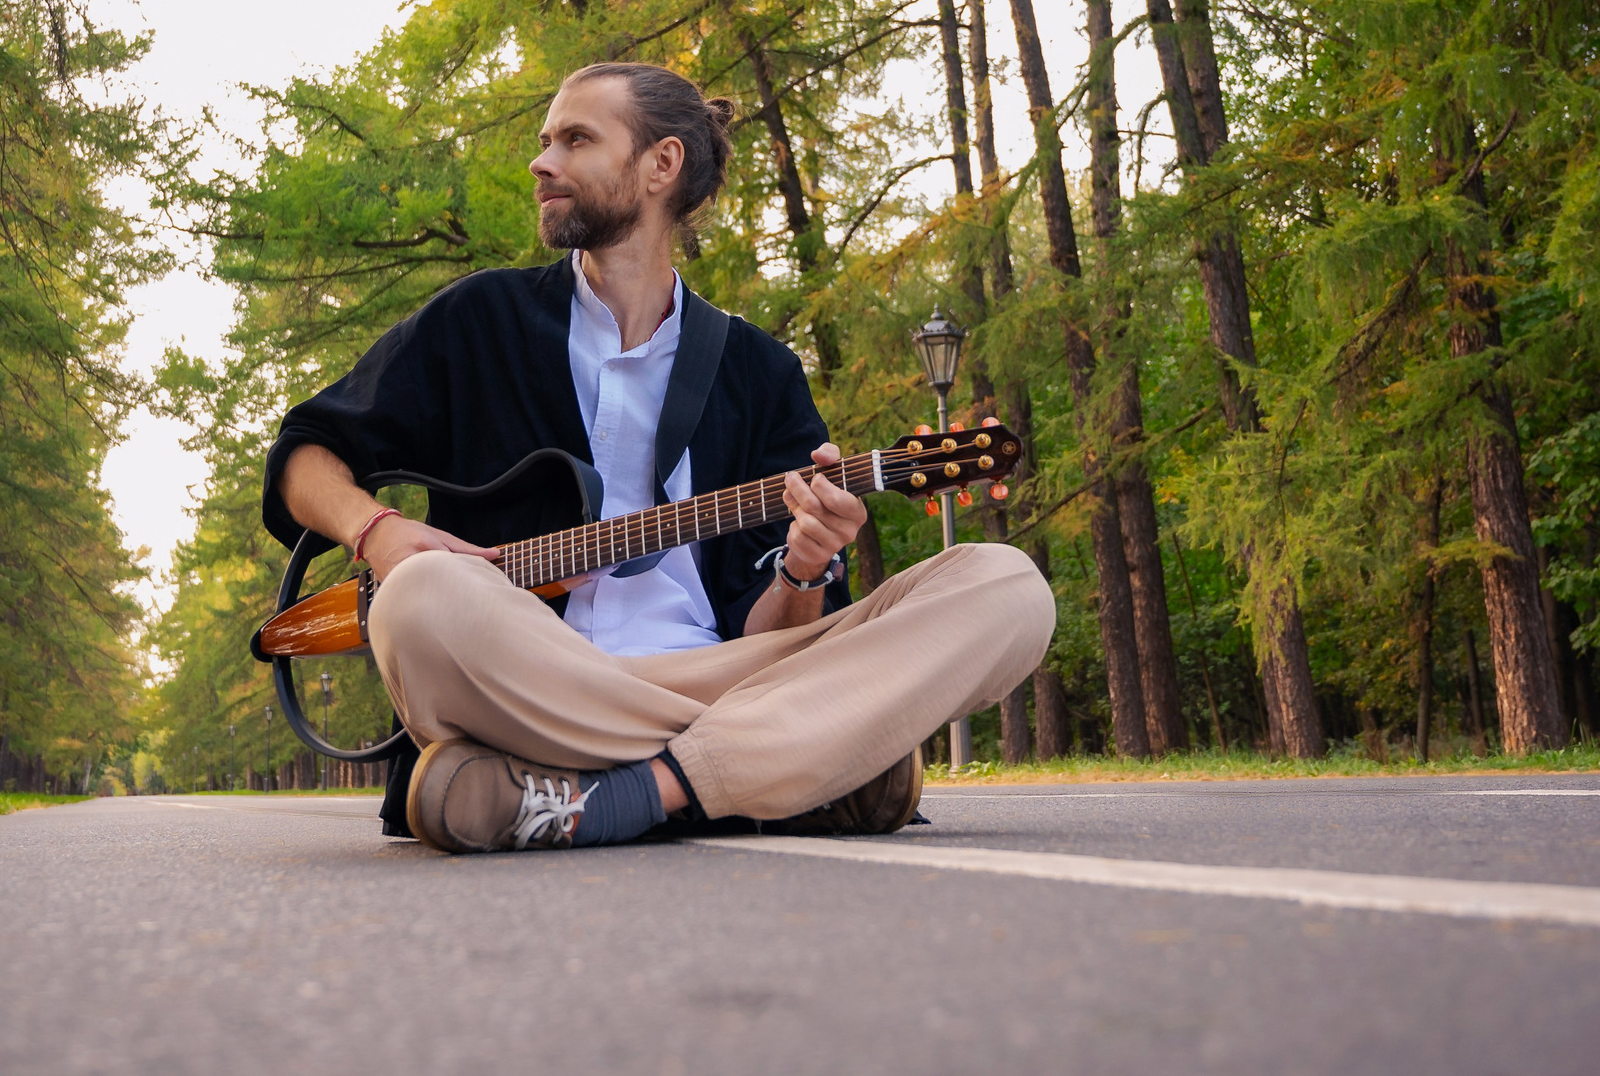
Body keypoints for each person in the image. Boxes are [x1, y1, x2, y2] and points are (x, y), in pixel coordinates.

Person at [263, 62, 1055, 853]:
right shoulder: (480, 321)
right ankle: (801, 765)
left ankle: (620, 793)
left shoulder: (759, 370)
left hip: (726, 680)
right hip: (536, 681)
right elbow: (304, 454)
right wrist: (378, 534)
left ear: (660, 165)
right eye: (545, 141)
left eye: (575, 140)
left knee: (1007, 585)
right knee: (417, 599)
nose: (542, 163)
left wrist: (806, 566)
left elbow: (764, 628)